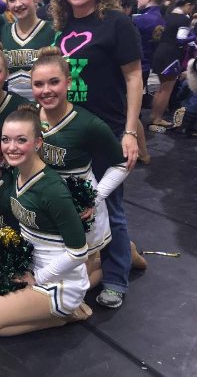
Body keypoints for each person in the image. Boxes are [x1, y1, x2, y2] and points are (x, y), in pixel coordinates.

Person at [52, 0, 143, 308]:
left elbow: (134, 78)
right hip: (67, 132)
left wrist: (131, 131)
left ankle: (117, 278)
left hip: (107, 131)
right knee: (75, 205)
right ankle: (78, 268)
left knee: (110, 207)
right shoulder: (61, 26)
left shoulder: (117, 23)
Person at [0, 106, 92, 336]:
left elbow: (79, 252)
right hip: (25, 264)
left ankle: (68, 314)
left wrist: (38, 277)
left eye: (21, 140)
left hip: (57, 282)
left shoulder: (52, 189)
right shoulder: (16, 175)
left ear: (38, 143)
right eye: (6, 140)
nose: (12, 147)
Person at [31, 46, 134, 288]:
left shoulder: (88, 123)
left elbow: (122, 164)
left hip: (81, 211)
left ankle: (125, 258)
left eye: (54, 82)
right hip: (48, 208)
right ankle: (129, 251)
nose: (46, 90)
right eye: (38, 84)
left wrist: (95, 198)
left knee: (77, 283)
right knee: (54, 277)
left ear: (68, 82)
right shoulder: (29, 117)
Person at [150, 0, 197, 132]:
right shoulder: (183, 18)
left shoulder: (168, 14)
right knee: (166, 89)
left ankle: (154, 116)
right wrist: (192, 40)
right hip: (171, 56)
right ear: (189, 5)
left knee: (161, 88)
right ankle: (157, 119)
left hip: (160, 52)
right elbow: (181, 39)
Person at [1, 0, 55, 100]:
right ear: (7, 4)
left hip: (44, 106)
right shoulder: (3, 31)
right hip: (11, 109)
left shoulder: (53, 30)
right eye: (12, 0)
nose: (18, 4)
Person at [133, 0, 165, 162]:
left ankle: (143, 152)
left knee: (129, 109)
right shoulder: (160, 18)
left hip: (135, 68)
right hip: (145, 67)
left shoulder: (141, 20)